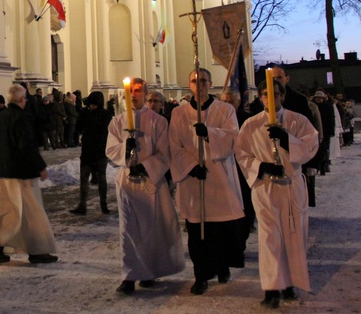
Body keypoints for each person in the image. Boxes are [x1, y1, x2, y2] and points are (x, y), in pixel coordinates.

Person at [235, 79, 319, 309]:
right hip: (266, 187)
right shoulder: (251, 125)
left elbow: (311, 145)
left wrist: (287, 140)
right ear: (260, 97)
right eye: (264, 94)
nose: (270, 99)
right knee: (270, 237)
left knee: (293, 235)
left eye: (275, 94)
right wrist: (261, 167)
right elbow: (241, 153)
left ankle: (290, 282)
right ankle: (271, 287)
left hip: (291, 186)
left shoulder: (297, 120)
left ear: (283, 96)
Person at [169, 69, 244, 295]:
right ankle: (200, 274)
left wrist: (210, 132)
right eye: (194, 81)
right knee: (197, 232)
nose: (199, 84)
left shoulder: (225, 109)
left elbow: (233, 138)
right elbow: (174, 146)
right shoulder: (178, 113)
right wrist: (191, 167)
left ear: (210, 83)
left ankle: (222, 266)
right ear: (189, 85)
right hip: (194, 181)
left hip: (219, 179)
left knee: (220, 230)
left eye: (203, 80)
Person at [106, 78, 184, 294]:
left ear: (145, 93)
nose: (133, 95)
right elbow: (110, 150)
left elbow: (164, 153)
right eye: (129, 91)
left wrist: (147, 166)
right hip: (127, 184)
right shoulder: (117, 122)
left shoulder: (158, 122)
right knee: (128, 230)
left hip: (150, 182)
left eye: (138, 91)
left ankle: (148, 271)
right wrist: (124, 150)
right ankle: (129, 275)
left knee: (150, 230)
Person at [0, 84, 58, 264]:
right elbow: (27, 145)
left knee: (3, 212)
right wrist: (40, 166)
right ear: (21, 100)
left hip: (2, 172)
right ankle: (37, 249)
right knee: (31, 212)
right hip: (21, 173)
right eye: (25, 98)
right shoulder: (21, 118)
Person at [267, 66, 320, 206]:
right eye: (272, 79)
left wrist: (313, 162)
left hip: (296, 157)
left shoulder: (299, 101)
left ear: (287, 79)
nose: (275, 81)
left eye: (279, 77)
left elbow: (310, 132)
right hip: (269, 158)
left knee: (297, 201)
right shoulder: (261, 102)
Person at [220, 88, 256, 245]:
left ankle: (241, 240)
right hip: (223, 168)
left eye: (231, 102)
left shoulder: (248, 120)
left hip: (243, 170)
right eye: (225, 102)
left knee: (245, 206)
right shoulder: (217, 120)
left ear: (239, 102)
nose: (228, 105)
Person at [69, 91, 112, 215]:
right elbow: (79, 127)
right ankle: (91, 205)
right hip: (94, 151)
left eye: (92, 104)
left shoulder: (98, 115)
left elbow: (82, 128)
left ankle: (95, 205)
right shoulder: (103, 114)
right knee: (92, 178)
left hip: (95, 151)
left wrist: (86, 115)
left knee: (94, 178)